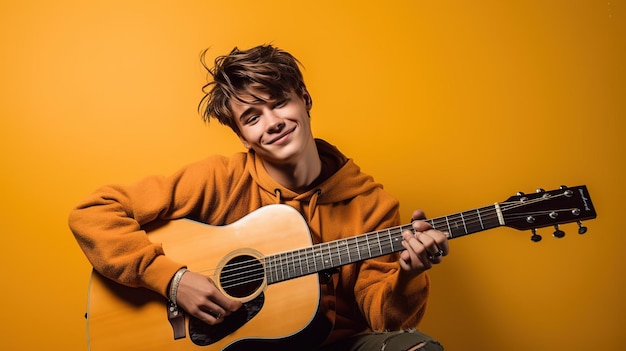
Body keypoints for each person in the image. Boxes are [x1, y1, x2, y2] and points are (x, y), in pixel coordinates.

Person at [68, 44, 449, 351]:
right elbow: (93, 213)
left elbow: (387, 321)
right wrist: (173, 280)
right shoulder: (220, 178)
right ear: (241, 135)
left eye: (279, 102)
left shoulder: (372, 205)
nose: (273, 122)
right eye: (252, 117)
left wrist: (408, 274)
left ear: (305, 99)